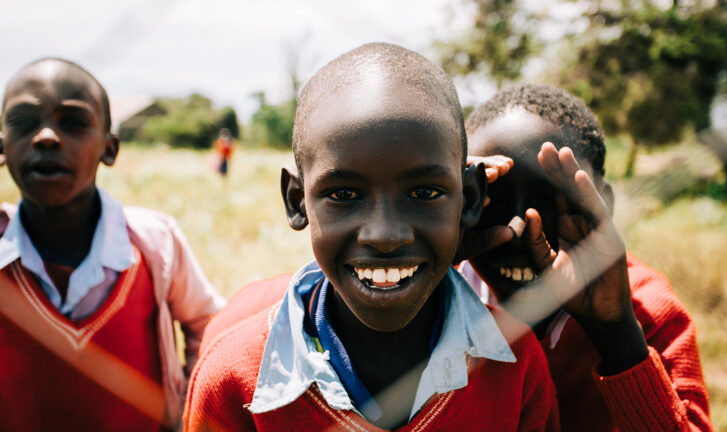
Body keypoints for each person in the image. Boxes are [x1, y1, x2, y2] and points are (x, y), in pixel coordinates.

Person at [184, 43, 559, 431]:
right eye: (344, 194)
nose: (385, 235)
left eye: (424, 193)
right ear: (298, 202)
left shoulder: (514, 366)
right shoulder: (233, 380)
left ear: (471, 199)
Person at [459, 83, 712, 431]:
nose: (520, 227)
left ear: (603, 202)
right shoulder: (435, 295)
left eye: (548, 199)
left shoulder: (650, 313)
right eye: (491, 199)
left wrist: (617, 334)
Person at [0, 58, 224, 430]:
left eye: (73, 122)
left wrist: (190, 414)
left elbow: (210, 324)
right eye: (24, 123)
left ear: (110, 148)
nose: (45, 137)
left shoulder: (155, 244)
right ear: (3, 147)